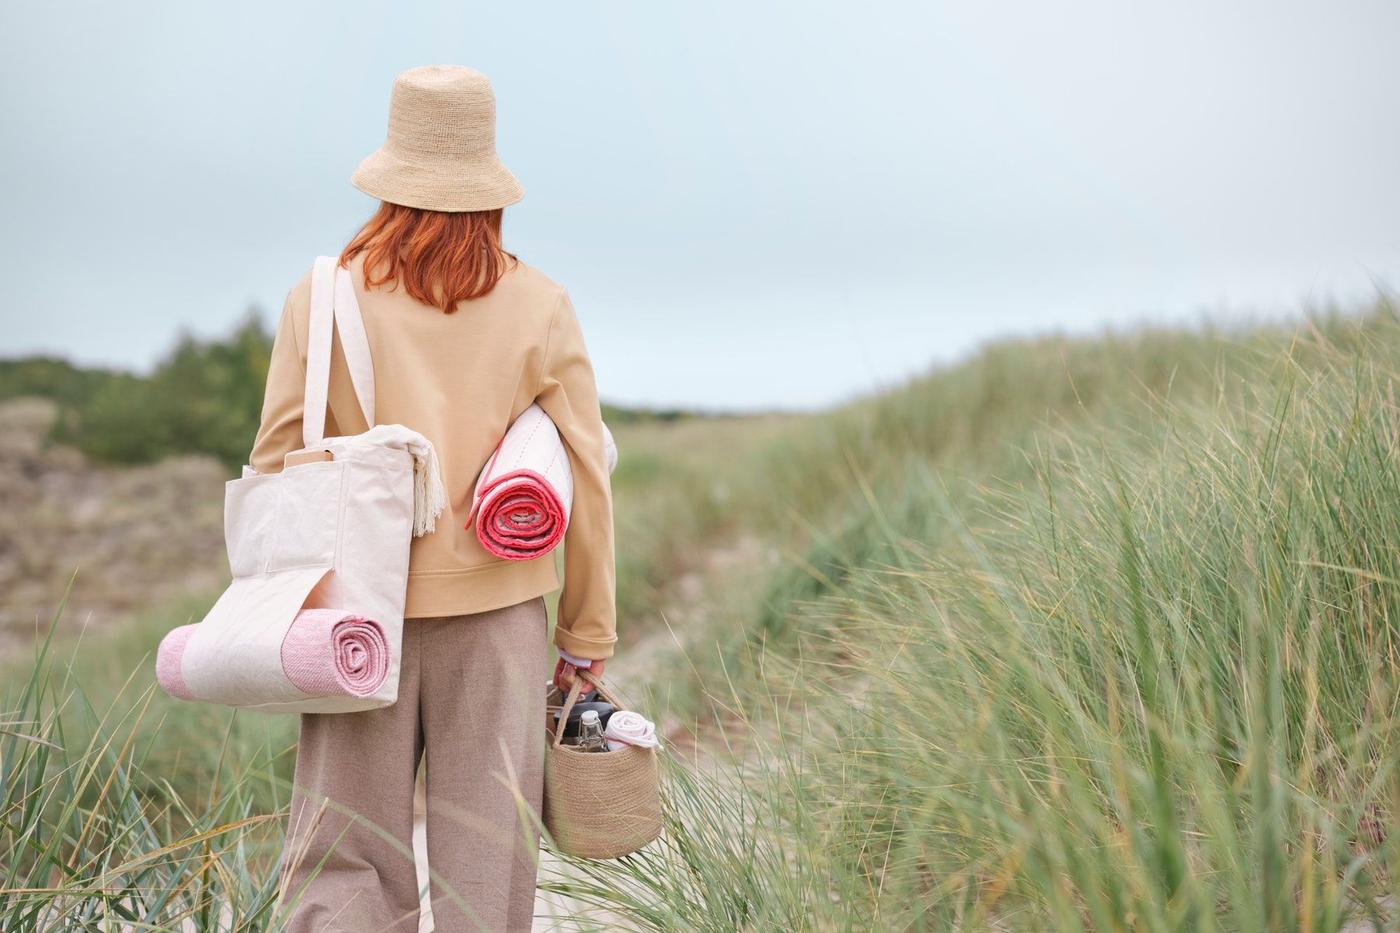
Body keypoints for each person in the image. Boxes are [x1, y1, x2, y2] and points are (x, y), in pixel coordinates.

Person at [253, 65, 616, 932]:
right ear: (488, 184)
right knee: (486, 870)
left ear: (391, 176)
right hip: (500, 619)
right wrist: (586, 633)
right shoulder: (539, 303)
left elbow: (274, 463)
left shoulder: (324, 297)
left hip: (353, 620)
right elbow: (588, 473)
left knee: (343, 864)